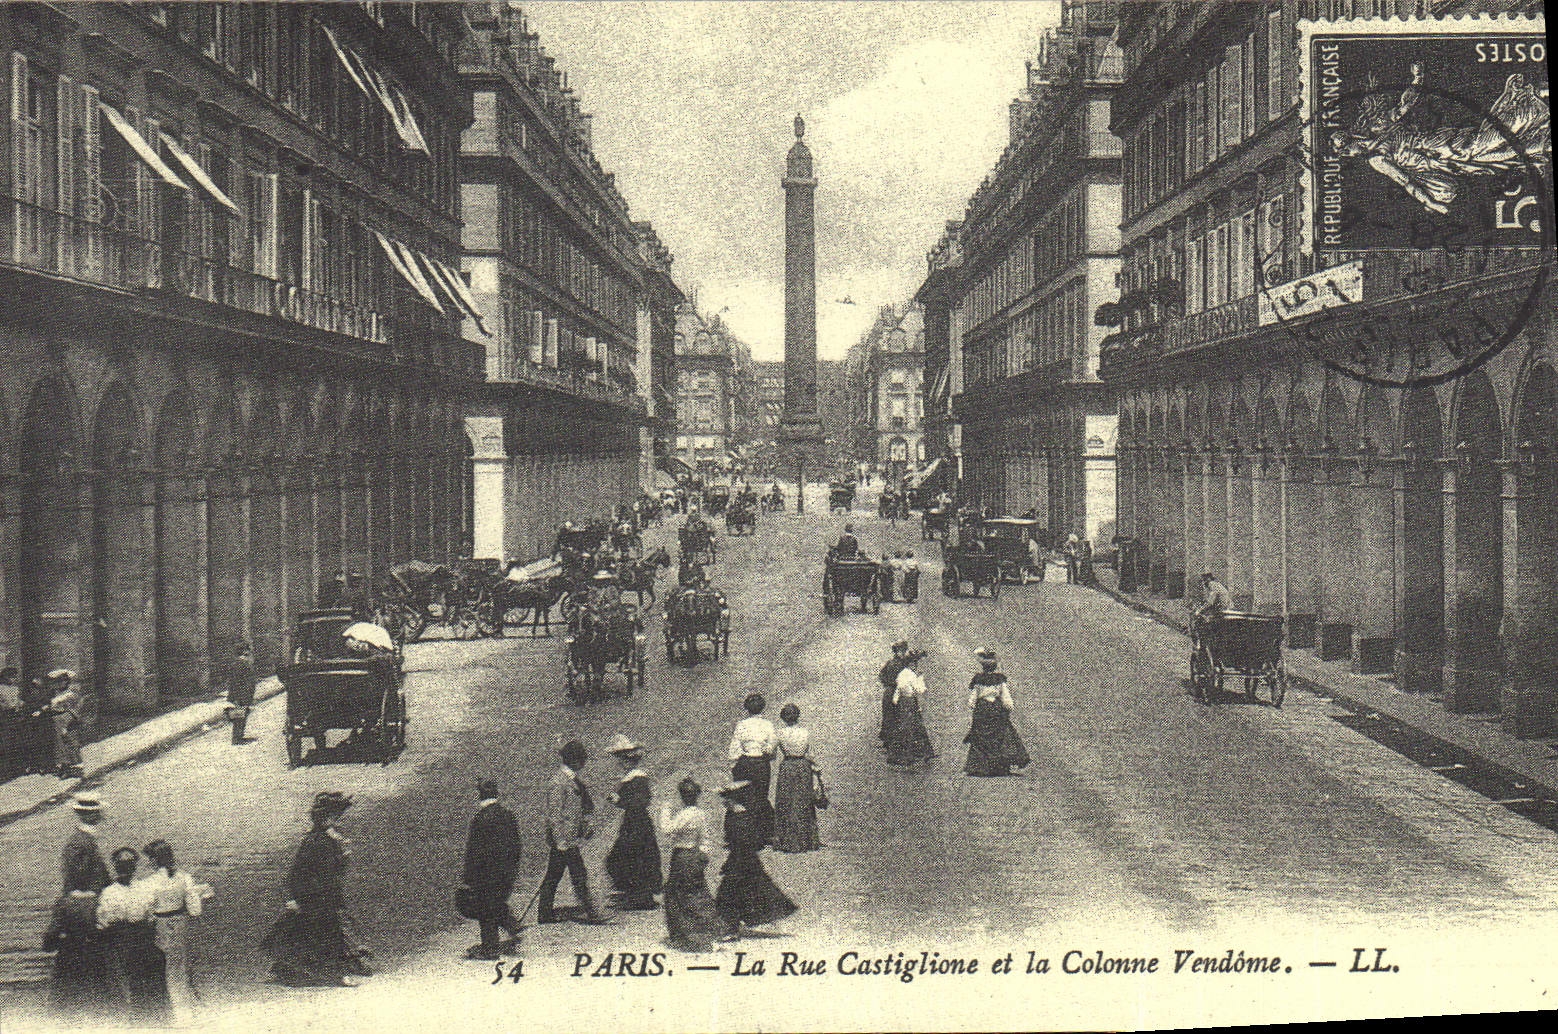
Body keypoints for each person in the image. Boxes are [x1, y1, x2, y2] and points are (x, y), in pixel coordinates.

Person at [262, 791, 369, 986]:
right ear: (327, 818)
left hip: (320, 893)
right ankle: (336, 974)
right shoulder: (320, 842)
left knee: (309, 932)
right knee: (326, 931)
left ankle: (294, 970)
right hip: (317, 894)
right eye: (333, 817)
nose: (335, 821)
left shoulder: (321, 840)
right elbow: (308, 872)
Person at [539, 740, 611, 925]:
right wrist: (560, 840)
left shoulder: (572, 780)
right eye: (582, 759)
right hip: (563, 840)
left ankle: (545, 914)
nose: (584, 763)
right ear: (575, 761)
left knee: (555, 876)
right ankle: (592, 912)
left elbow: (581, 807)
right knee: (575, 875)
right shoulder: (558, 783)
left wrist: (585, 825)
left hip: (569, 839)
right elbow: (554, 815)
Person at [714, 781, 797, 940]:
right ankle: (732, 926)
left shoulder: (741, 819)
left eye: (726, 798)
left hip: (743, 861)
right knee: (742, 892)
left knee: (730, 894)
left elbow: (748, 842)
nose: (724, 801)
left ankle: (731, 929)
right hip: (742, 860)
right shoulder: (734, 815)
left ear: (734, 800)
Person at [97, 847, 169, 1023]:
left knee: (140, 987)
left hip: (132, 945)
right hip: (132, 944)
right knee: (144, 988)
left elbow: (103, 923)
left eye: (127, 866)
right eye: (124, 866)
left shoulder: (111, 893)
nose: (126, 869)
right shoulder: (139, 889)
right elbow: (152, 916)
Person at [140, 839, 205, 1023]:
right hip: (180, 923)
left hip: (160, 925)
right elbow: (195, 909)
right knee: (180, 967)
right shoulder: (185, 877)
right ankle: (187, 1010)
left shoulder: (149, 882)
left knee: (164, 967)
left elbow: (145, 909)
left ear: (154, 860)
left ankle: (169, 1012)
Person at [460, 779, 524, 960]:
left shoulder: (479, 820)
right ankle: (511, 925)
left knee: (485, 910)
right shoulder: (508, 815)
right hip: (506, 871)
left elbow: (474, 852)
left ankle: (490, 948)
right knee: (496, 902)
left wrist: (468, 878)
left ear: (480, 795)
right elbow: (516, 846)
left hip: (486, 874)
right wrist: (512, 869)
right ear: (496, 794)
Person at [659, 778, 724, 952]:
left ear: (682, 796)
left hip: (682, 856)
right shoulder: (701, 814)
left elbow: (666, 829)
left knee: (677, 894)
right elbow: (706, 839)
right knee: (697, 892)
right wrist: (703, 856)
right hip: (695, 854)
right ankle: (708, 933)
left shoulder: (684, 814)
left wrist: (665, 810)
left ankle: (684, 935)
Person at [45, 859, 113, 1021]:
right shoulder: (100, 900)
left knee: (67, 1006)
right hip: (96, 957)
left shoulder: (64, 903)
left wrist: (56, 942)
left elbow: (50, 938)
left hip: (69, 957)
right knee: (96, 1002)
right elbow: (108, 931)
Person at [604, 735, 663, 911]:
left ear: (625, 760)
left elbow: (639, 803)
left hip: (636, 824)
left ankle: (638, 896)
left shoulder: (637, 778)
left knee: (628, 857)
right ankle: (638, 895)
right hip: (637, 822)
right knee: (636, 858)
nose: (618, 763)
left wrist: (618, 801)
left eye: (620, 759)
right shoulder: (635, 777)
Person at [963, 649, 1032, 777]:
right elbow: (1006, 697)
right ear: (994, 667)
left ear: (983, 666)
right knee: (1001, 734)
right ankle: (999, 766)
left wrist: (973, 706)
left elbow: (972, 699)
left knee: (980, 737)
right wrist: (1008, 707)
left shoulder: (978, 680)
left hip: (982, 709)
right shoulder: (999, 679)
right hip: (996, 709)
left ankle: (981, 766)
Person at [726, 693, 777, 847]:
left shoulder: (742, 725)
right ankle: (761, 835)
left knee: (744, 798)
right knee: (760, 797)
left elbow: (735, 748)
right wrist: (766, 754)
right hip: (761, 764)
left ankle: (744, 835)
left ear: (747, 708)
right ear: (763, 708)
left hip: (745, 763)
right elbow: (772, 748)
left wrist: (734, 765)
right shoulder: (768, 725)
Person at [772, 704, 821, 853]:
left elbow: (771, 752)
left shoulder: (780, 733)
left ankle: (786, 839)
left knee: (786, 800)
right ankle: (806, 839)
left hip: (787, 766)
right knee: (802, 800)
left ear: (783, 718)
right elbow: (811, 755)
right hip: (803, 766)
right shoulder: (805, 732)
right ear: (797, 716)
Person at [886, 651, 936, 767]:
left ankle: (898, 755)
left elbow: (897, 692)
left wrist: (896, 701)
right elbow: (920, 690)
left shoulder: (901, 674)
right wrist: (921, 678)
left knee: (903, 726)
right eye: (915, 664)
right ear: (912, 664)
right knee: (913, 727)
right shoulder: (912, 676)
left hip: (902, 703)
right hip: (910, 702)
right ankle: (911, 755)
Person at [62, 793, 111, 895]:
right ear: (87, 815)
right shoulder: (79, 842)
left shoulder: (85, 838)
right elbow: (75, 877)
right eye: (96, 812)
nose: (100, 815)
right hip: (87, 897)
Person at [46, 669, 87, 779]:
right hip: (55, 720)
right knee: (58, 744)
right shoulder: (54, 693)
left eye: (63, 681)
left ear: (67, 682)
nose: (59, 684)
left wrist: (65, 723)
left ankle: (68, 768)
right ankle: (62, 766)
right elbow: (50, 706)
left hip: (67, 720)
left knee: (68, 742)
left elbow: (74, 709)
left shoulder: (71, 694)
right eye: (57, 682)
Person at [878, 641, 910, 747]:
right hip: (893, 692)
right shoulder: (898, 663)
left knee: (890, 716)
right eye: (900, 651)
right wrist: (891, 684)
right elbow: (882, 676)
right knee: (893, 715)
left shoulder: (894, 662)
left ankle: (889, 741)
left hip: (890, 691)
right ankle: (891, 742)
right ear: (896, 652)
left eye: (903, 651)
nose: (902, 653)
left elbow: (881, 676)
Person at [227, 641, 257, 745]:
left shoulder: (241, 664)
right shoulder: (240, 664)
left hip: (243, 694)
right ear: (244, 652)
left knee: (242, 715)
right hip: (240, 694)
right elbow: (236, 682)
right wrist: (236, 696)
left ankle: (239, 736)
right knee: (239, 716)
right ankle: (237, 738)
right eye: (247, 652)